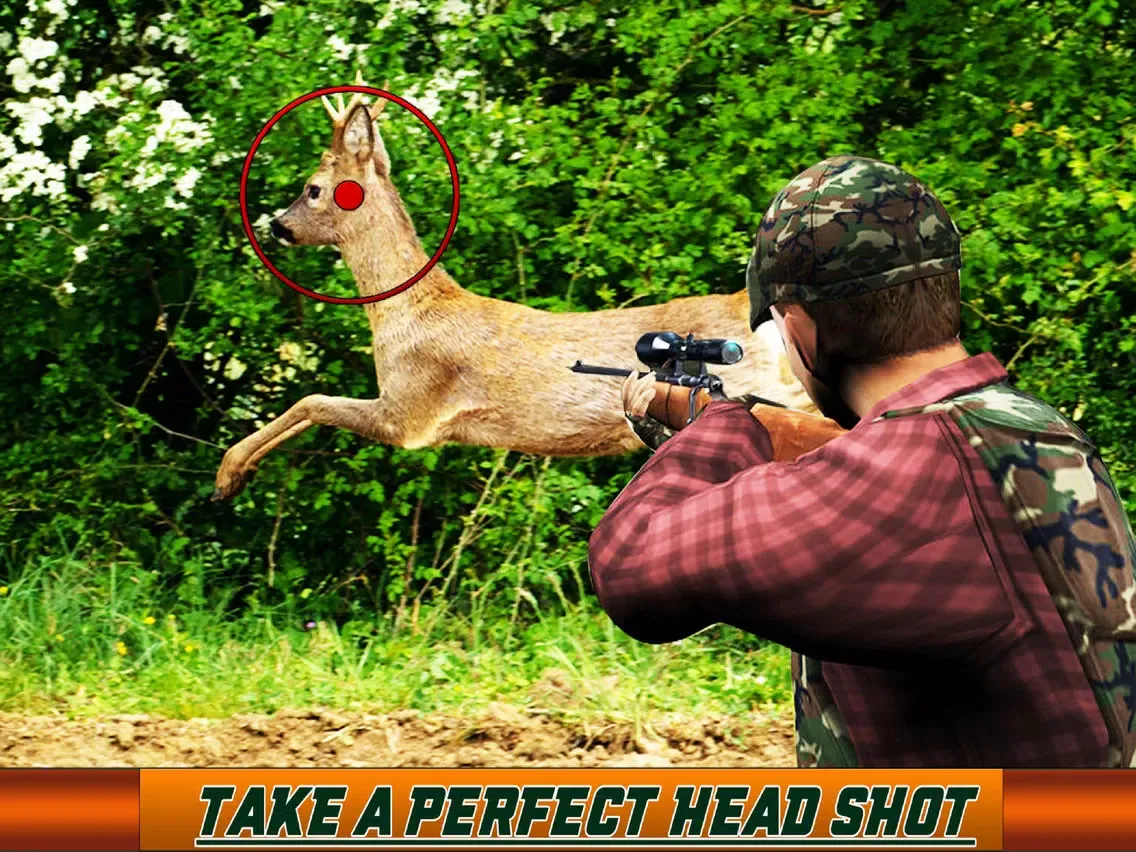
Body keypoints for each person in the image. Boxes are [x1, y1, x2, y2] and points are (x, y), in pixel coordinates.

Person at [588, 155, 1136, 768]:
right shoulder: (1033, 425)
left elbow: (629, 568)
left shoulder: (915, 469)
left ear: (801, 330)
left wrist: (720, 428)